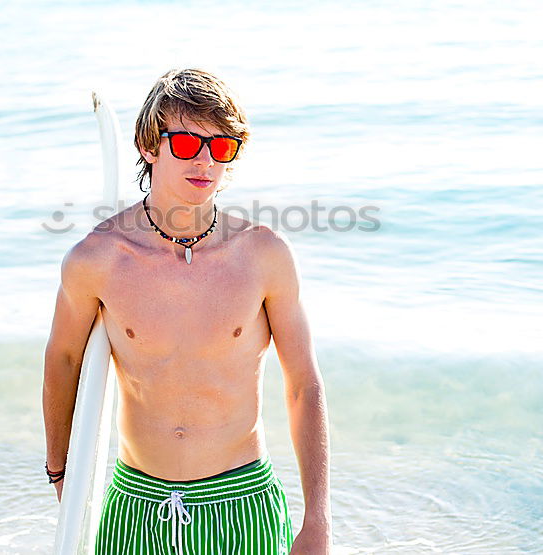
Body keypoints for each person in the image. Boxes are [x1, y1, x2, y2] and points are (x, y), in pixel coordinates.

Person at [43, 68, 332, 554]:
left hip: (243, 504)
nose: (204, 160)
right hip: (136, 507)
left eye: (221, 148)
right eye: (186, 143)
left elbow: (304, 384)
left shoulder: (263, 254)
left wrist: (318, 519)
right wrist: (61, 473)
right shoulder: (96, 260)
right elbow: (63, 362)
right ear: (148, 145)